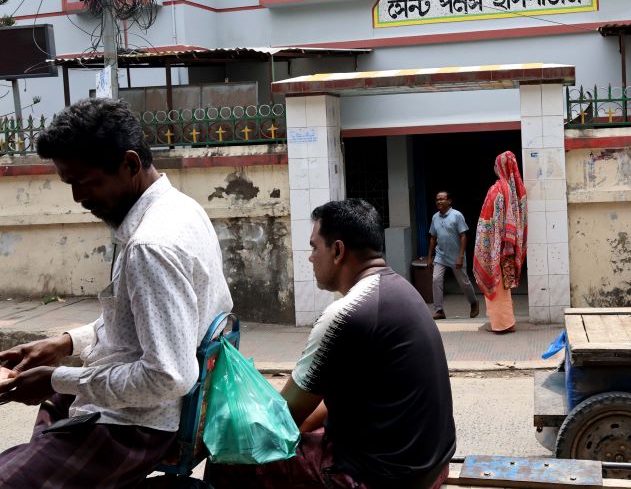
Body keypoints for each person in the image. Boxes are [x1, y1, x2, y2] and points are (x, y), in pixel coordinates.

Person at [0, 98, 233, 488]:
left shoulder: (151, 245)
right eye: (69, 184)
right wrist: (66, 343)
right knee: (52, 409)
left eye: (85, 182)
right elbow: (138, 319)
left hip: (136, 425)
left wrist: (59, 378)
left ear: (129, 164)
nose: (78, 198)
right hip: (143, 410)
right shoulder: (182, 208)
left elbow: (168, 376)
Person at [211, 199, 456, 489]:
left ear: (338, 251)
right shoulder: (401, 289)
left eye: (315, 247)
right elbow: (324, 403)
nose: (311, 258)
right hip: (431, 466)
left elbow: (282, 415)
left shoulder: (346, 314)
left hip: (382, 478)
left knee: (227, 459)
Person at [472, 151, 527, 334]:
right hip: (510, 246)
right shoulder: (517, 190)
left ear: (500, 167)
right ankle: (508, 321)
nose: (495, 168)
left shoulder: (497, 189)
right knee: (504, 285)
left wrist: (486, 243)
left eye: (496, 165)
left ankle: (501, 324)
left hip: (496, 245)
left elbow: (488, 220)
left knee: (496, 284)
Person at [427, 191, 479, 320]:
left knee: (463, 282)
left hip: (456, 256)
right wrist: (430, 257)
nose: (439, 201)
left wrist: (461, 256)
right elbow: (433, 238)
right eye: (437, 199)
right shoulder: (435, 217)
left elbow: (463, 236)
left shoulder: (457, 215)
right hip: (440, 255)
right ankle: (439, 310)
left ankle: (473, 302)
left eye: (442, 199)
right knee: (436, 280)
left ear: (449, 201)